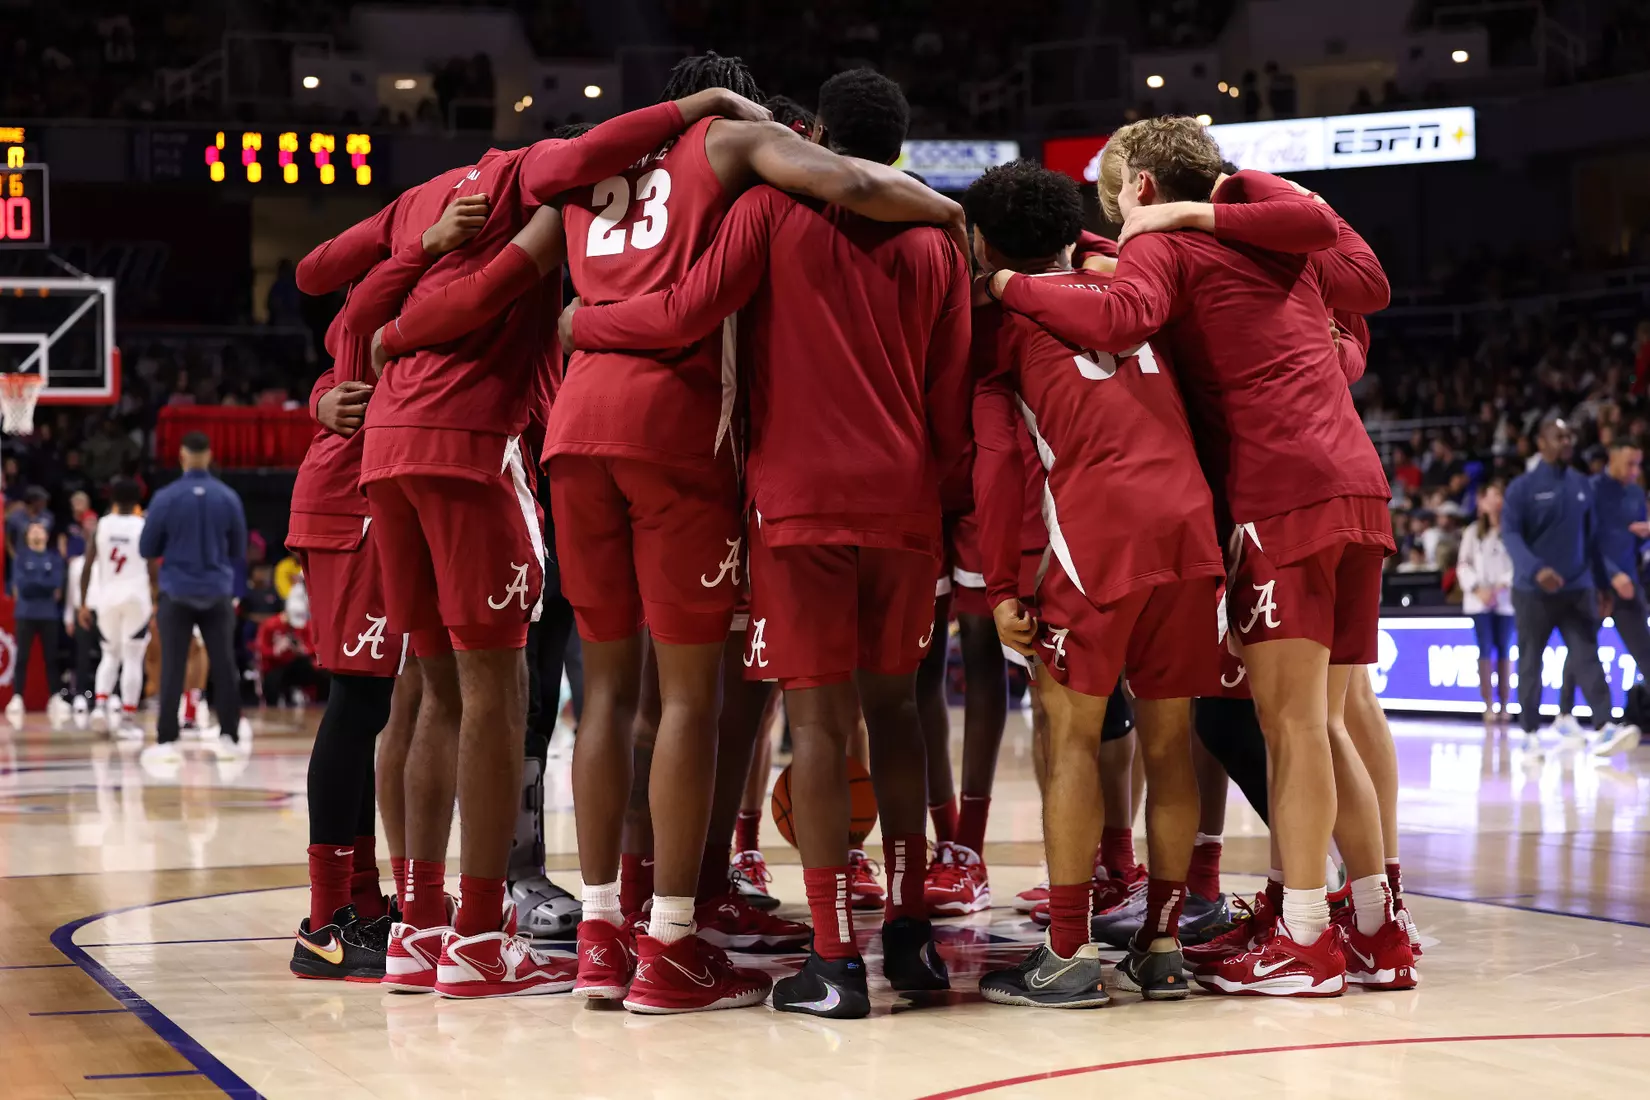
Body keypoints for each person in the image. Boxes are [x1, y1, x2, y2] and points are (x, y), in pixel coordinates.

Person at [544, 52, 963, 1015]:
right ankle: (909, 935)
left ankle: (833, 959)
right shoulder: (939, 244)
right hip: (906, 503)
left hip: (794, 498)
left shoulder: (767, 212)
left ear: (809, 134)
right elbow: (951, 406)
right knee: (896, 719)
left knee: (810, 727)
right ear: (900, 151)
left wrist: (585, 326)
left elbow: (691, 311)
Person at [355, 86, 776, 1000]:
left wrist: (381, 336)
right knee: (673, 702)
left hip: (564, 435)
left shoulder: (574, 193)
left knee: (564, 697)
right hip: (653, 431)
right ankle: (663, 938)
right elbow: (692, 309)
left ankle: (582, 932)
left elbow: (433, 286)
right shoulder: (742, 170)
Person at [988, 117, 1408, 996]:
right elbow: (1365, 292)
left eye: (1121, 201)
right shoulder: (1280, 250)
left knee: (1292, 729)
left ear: (1141, 187)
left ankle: (1304, 936)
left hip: (1273, 499)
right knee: (1326, 724)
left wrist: (1006, 280)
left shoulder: (1165, 255)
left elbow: (1127, 314)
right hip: (1357, 482)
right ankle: (1376, 926)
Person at [960, 161, 1219, 1006]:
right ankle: (1164, 944)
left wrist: (1001, 587)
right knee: (1170, 743)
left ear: (987, 245)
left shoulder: (1006, 332)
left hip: (1098, 539)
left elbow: (999, 469)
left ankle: (1068, 953)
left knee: (1071, 739)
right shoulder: (1126, 288)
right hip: (1191, 527)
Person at [287, 181, 488, 983]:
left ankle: (364, 903)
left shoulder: (389, 293)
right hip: (349, 501)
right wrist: (427, 240)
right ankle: (326, 921)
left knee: (381, 700)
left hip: (366, 491)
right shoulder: (391, 278)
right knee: (357, 700)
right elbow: (348, 295)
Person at [1503, 417, 1636, 754]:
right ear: (1541, 443)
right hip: (1533, 593)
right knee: (1531, 661)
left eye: (1569, 436)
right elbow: (1511, 535)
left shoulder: (1582, 485)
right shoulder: (1522, 488)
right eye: (1559, 437)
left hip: (1577, 589)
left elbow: (1592, 542)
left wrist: (1603, 585)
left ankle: (1606, 725)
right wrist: (1536, 570)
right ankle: (1530, 734)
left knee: (1587, 656)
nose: (1567, 442)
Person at [136, 431, 249, 774]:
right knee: (224, 665)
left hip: (177, 591)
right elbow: (238, 549)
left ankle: (167, 741)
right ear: (210, 455)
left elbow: (146, 549)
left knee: (172, 665)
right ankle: (229, 737)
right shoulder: (228, 497)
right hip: (216, 590)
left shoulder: (166, 497)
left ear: (182, 457)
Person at [1557, 440, 1650, 755]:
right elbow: (1587, 540)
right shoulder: (1592, 489)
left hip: (1629, 585)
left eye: (1639, 464)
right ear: (1613, 457)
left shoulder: (1637, 493)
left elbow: (1634, 542)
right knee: (1582, 651)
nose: (1635, 470)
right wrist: (1610, 576)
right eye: (1630, 463)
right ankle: (1565, 714)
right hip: (1596, 582)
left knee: (1645, 651)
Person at [78, 477, 149, 739]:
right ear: (137, 501)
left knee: (110, 654)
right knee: (132, 657)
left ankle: (99, 706)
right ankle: (127, 719)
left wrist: (84, 602)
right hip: (135, 597)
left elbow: (87, 566)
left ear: (112, 499)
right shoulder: (143, 526)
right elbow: (152, 567)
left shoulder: (102, 526)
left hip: (107, 597)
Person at [1457, 479, 1515, 729]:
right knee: (1485, 649)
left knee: (1504, 649)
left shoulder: (1512, 530)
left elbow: (1516, 565)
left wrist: (1500, 586)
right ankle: (1488, 704)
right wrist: (1477, 589)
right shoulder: (1472, 532)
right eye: (1489, 496)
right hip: (1479, 600)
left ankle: (1504, 703)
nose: (1493, 501)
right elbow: (1463, 564)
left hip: (1504, 600)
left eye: (1498, 496)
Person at [7, 522, 65, 725]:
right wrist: (43, 584)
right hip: (25, 613)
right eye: (33, 530)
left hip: (48, 614)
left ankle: (55, 697)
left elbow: (56, 584)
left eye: (40, 529)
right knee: (22, 656)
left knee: (51, 657)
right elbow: (22, 585)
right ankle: (17, 698)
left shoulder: (54, 558)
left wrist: (38, 583)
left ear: (46, 535)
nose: (37, 532)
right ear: (27, 535)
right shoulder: (21, 558)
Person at [254, 588, 323, 705]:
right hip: (276, 666)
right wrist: (276, 650)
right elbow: (261, 649)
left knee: (321, 674)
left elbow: (314, 647)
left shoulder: (305, 625)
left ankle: (319, 704)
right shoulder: (269, 625)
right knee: (272, 681)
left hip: (297, 664)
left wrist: (303, 649)